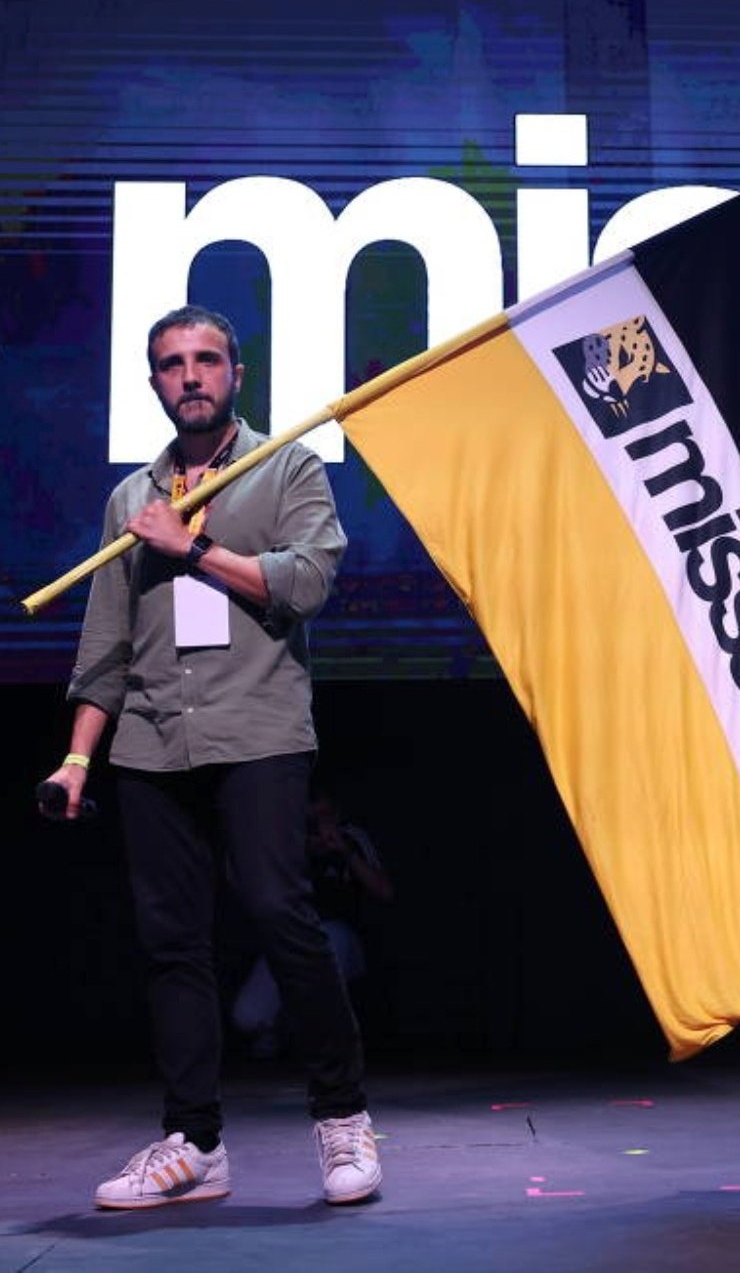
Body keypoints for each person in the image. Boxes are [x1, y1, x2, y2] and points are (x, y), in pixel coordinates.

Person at [37, 305, 381, 1210]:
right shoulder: (130, 501)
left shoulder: (288, 467)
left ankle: (342, 1113)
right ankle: (194, 1141)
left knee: (278, 912)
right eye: (171, 363)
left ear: (236, 372)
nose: (189, 375)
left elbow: (306, 581)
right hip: (152, 741)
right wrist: (76, 761)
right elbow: (105, 646)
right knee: (171, 942)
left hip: (258, 729)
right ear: (153, 381)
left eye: (206, 359)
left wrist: (189, 545)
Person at [232, 789, 394, 1058]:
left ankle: (321, 1041)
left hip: (339, 938)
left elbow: (385, 892)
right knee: (246, 1016)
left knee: (332, 939)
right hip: (290, 938)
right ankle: (282, 1032)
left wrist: (345, 853)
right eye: (313, 819)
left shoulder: (351, 838)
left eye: (325, 817)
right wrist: (301, 853)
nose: (320, 826)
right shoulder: (288, 842)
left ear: (337, 815)